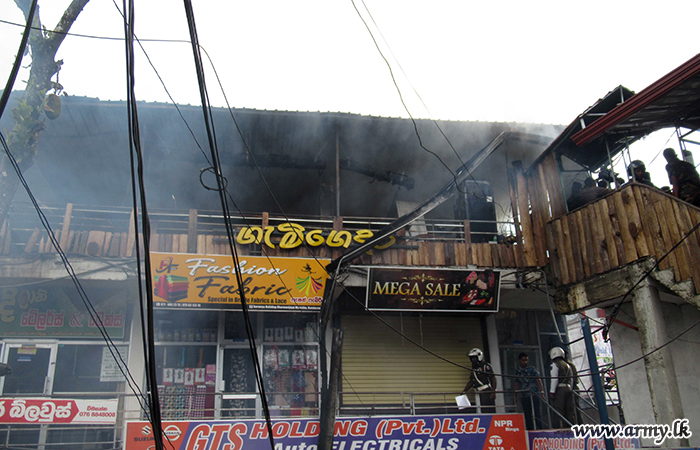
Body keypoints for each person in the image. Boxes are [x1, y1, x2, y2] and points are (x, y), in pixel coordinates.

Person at [514, 353, 545, 430]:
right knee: (528, 415)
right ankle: (530, 430)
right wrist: (515, 396)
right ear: (519, 360)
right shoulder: (518, 371)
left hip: (534, 393)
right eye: (523, 360)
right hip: (524, 395)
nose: (525, 362)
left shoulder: (532, 369)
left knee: (537, 413)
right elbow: (516, 384)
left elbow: (538, 380)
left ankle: (539, 429)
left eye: (526, 360)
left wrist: (542, 392)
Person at [549, 347, 578, 428]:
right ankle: (572, 426)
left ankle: (563, 427)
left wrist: (552, 391)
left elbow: (554, 379)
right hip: (569, 388)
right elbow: (571, 379)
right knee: (569, 409)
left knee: (559, 409)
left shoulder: (555, 365)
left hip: (560, 389)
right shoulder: (568, 365)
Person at [462, 348, 497, 413]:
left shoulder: (485, 366)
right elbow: (472, 381)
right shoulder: (474, 369)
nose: (472, 360)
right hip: (478, 392)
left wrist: (493, 392)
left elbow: (493, 378)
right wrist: (464, 391)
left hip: (486, 391)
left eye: (474, 358)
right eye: (471, 358)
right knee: (479, 410)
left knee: (487, 410)